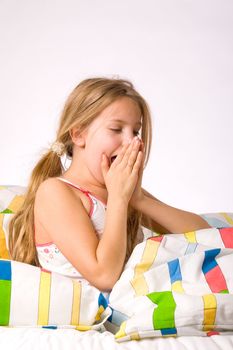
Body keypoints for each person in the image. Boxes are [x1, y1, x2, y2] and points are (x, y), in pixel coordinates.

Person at [8, 77, 211, 292]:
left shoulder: (121, 191)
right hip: (92, 310)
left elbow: (207, 236)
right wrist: (118, 200)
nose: (130, 141)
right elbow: (104, 276)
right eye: (116, 129)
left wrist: (138, 200)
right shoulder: (56, 192)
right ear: (78, 135)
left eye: (135, 131)